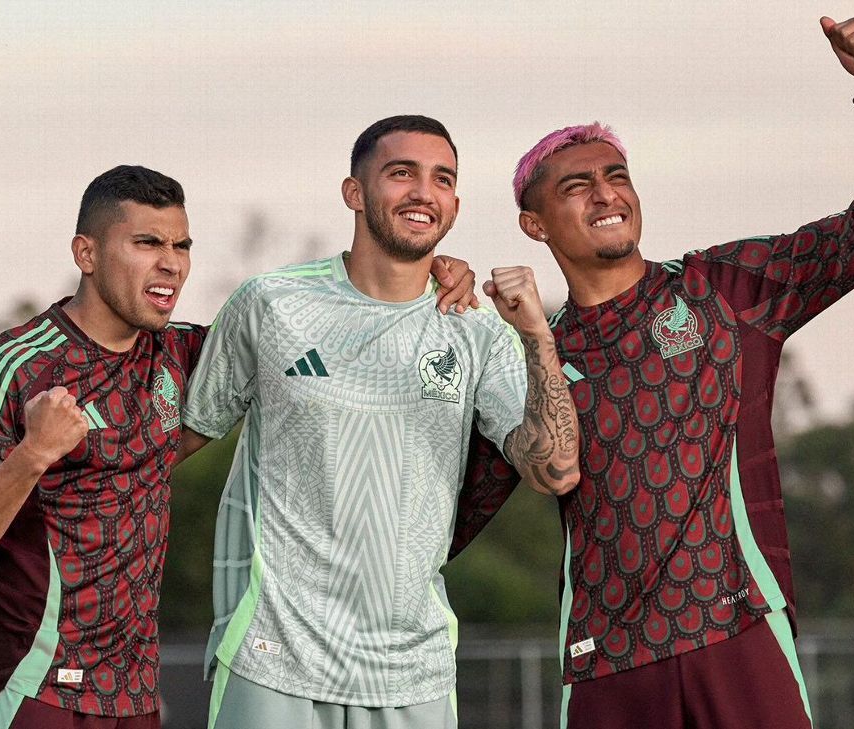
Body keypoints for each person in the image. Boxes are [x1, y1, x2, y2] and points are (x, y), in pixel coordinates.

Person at [456, 14, 854, 729]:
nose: (607, 194)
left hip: (738, 637)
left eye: (617, 176)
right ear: (535, 224)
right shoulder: (531, 357)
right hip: (606, 662)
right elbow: (449, 513)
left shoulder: (725, 291)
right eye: (578, 186)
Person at [0, 164, 484, 728]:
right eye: (146, 243)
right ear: (86, 254)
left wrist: (426, 274)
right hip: (33, 686)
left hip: (136, 696)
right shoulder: (17, 367)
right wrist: (33, 455)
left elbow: (324, 344)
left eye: (181, 245)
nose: (170, 262)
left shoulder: (186, 354)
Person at [177, 115, 581, 728]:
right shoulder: (271, 303)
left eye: (441, 179)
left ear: (454, 203)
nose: (424, 191)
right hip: (271, 655)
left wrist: (535, 337)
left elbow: (553, 468)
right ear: (355, 193)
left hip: (410, 665)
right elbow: (175, 441)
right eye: (402, 173)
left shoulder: (478, 330)